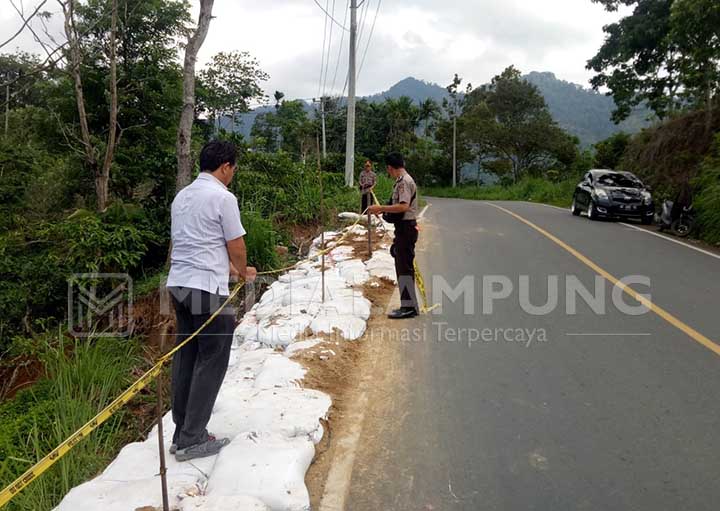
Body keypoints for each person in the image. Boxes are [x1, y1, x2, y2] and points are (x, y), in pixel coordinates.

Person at [166, 140, 256, 461]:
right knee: (211, 359)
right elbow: (236, 244)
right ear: (225, 167)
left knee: (187, 356)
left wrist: (234, 271)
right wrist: (244, 270)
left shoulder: (182, 197)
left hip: (178, 286)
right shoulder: (222, 197)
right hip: (206, 291)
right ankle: (193, 438)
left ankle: (180, 432)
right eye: (233, 168)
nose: (233, 174)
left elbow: (196, 245)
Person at [368, 152, 419, 319]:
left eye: (388, 169)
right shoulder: (402, 181)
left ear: (390, 168)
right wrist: (383, 212)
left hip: (406, 228)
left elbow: (403, 207)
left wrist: (381, 208)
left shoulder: (404, 182)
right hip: (403, 228)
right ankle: (408, 305)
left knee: (404, 268)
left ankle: (409, 307)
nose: (388, 172)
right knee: (402, 264)